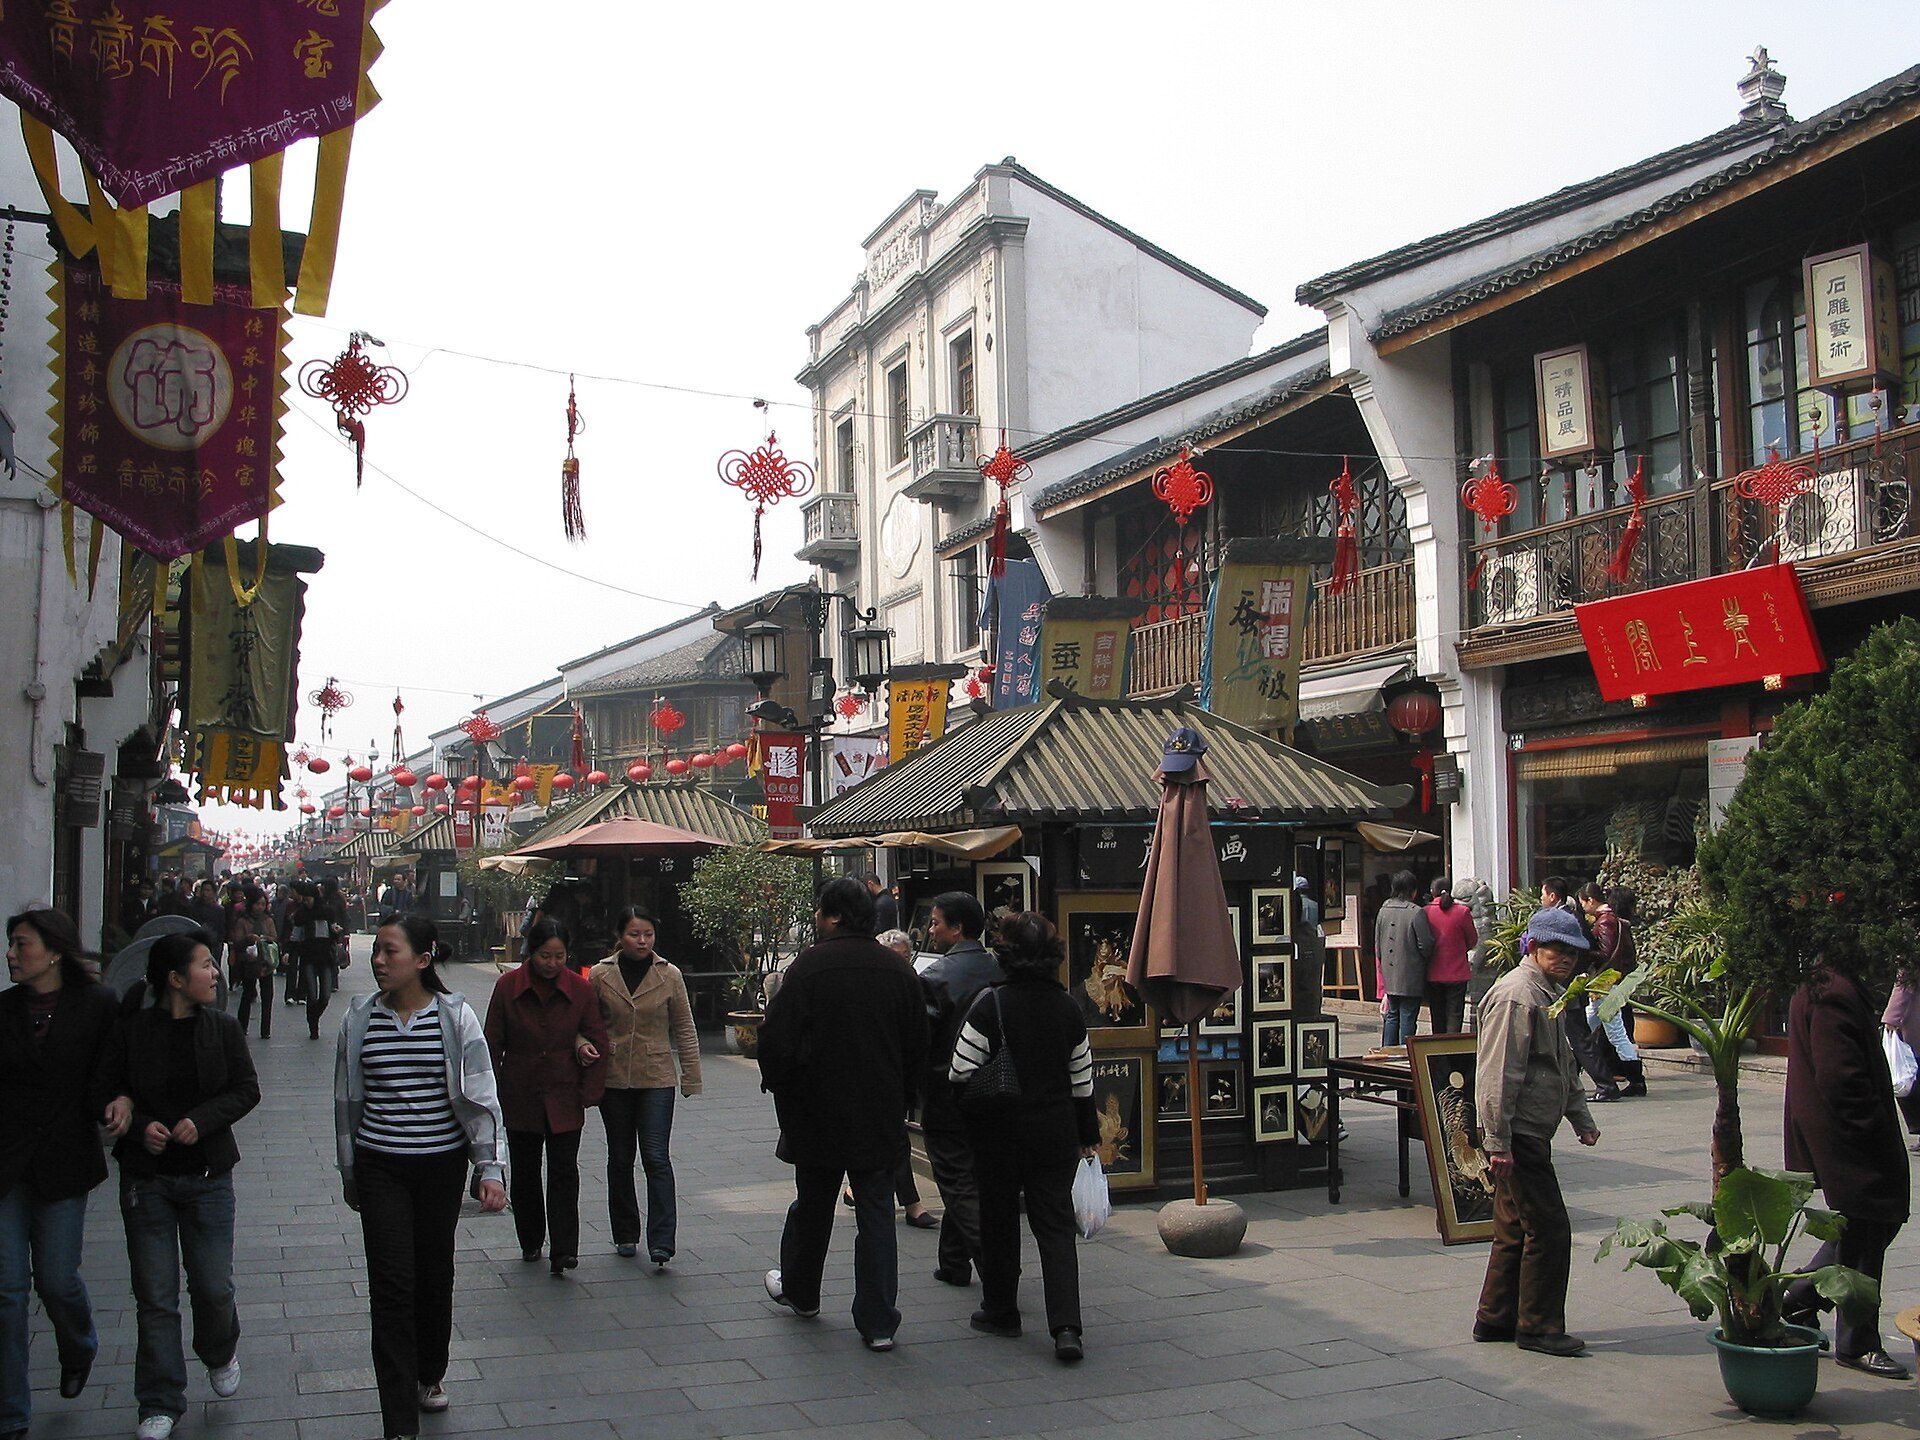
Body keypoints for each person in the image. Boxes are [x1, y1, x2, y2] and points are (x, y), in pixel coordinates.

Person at [335, 914, 507, 1440]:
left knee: (433, 1275)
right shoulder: (360, 1017)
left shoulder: (454, 1018)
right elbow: (347, 1102)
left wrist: (490, 1167)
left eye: (390, 951)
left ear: (423, 960)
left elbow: (480, 1098)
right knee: (390, 1285)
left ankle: (429, 1372)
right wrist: (351, 1171)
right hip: (381, 1164)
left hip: (439, 1166)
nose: (379, 960)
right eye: (378, 951)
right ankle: (398, 1420)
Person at [99, 930, 260, 1440]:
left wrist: (204, 1120)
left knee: (213, 1287)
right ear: (174, 979)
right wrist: (138, 1120)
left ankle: (218, 1349)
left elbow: (245, 1090)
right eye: (205, 965)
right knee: (155, 1295)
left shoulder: (223, 1028)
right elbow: (108, 1088)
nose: (215, 974)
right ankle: (160, 1400)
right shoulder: (132, 1031)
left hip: (208, 1177)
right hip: (148, 1181)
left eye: (214, 965)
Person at [757, 876, 928, 1352]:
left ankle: (802, 1290)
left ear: (831, 916)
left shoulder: (809, 967)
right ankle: (878, 1320)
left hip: (816, 1110)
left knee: (813, 1205)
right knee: (875, 1211)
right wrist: (904, 1096)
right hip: (879, 1110)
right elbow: (918, 1042)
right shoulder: (895, 970)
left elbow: (776, 1041)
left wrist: (784, 1088)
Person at [947, 911, 1097, 1363]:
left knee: (998, 1220)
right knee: (1055, 1226)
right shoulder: (1068, 1006)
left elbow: (959, 1073)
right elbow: (1083, 1082)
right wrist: (1087, 1136)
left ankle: (1001, 1311)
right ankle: (1066, 1327)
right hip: (1055, 1132)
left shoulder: (989, 1004)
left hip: (998, 1133)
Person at [0, 910, 121, 1440]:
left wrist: (119, 1100)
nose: (10, 954)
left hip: (64, 1161)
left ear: (52, 951)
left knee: (56, 1278)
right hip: (5, 1162)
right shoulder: (3, 1010)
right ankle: (11, 1412)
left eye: (20, 944)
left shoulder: (97, 1007)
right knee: (6, 1289)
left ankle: (79, 1344)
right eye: (9, 945)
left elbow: (111, 1071)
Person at [1473, 907, 1600, 1357]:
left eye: (1573, 952)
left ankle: (1495, 1317)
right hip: (1518, 1131)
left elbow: (1561, 1064)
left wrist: (1580, 1118)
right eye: (1555, 949)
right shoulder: (1519, 995)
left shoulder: (1549, 994)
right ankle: (1539, 1326)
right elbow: (1497, 1074)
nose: (1565, 959)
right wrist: (1497, 1142)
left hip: (1529, 1128)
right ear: (1532, 946)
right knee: (1549, 1229)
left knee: (1513, 1226)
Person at [1781, 964, 1912, 1378]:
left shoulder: (1829, 982)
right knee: (1868, 1228)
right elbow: (1841, 1077)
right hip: (1846, 1135)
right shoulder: (1831, 990)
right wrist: (1870, 1126)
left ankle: (1799, 1296)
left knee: (1865, 1226)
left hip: (1838, 1131)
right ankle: (1858, 1342)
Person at [485, 918, 607, 1277]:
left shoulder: (580, 990)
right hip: (520, 1092)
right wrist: (489, 1094)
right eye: (545, 956)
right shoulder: (508, 987)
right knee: (525, 1172)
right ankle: (531, 1239)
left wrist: (589, 1089)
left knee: (564, 1173)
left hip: (564, 1092)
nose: (553, 963)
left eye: (559, 956)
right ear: (531, 953)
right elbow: (491, 1043)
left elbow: (597, 1038)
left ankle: (565, 1249)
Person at [588, 907, 700, 1264]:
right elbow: (586, 1023)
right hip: (615, 1076)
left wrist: (691, 1075)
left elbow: (684, 1026)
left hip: (656, 1076)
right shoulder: (600, 975)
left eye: (648, 934)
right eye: (635, 935)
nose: (642, 941)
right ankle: (624, 1232)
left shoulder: (670, 975)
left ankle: (662, 1239)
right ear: (620, 936)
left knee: (655, 1157)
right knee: (620, 1157)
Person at [917, 892, 1005, 1285]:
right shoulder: (1002, 969)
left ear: (957, 928)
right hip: (998, 1088)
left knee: (955, 1178)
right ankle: (953, 1260)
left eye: (936, 922)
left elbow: (922, 1039)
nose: (931, 930)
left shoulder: (935, 977)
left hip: (946, 1091)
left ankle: (997, 1271)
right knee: (971, 1173)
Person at [848, 930, 938, 1228]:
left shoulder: (914, 983)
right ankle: (912, 1203)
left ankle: (855, 1189)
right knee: (894, 1138)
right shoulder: (872, 986)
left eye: (905, 957)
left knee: (886, 1137)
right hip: (872, 1074)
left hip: (898, 1074)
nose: (901, 963)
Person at [1575, 885, 1646, 1101]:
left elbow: (1605, 952)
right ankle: (1631, 1080)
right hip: (1608, 984)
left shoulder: (1605, 920)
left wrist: (1583, 950)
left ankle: (1631, 1081)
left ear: (1590, 900)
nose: (1583, 907)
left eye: (1583, 902)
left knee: (1611, 1032)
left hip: (1606, 985)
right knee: (1585, 1028)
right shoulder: (1612, 919)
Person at [1374, 870, 1434, 1047]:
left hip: (1389, 973)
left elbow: (1377, 944)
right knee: (1408, 1015)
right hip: (1410, 972)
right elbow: (1426, 945)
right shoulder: (1416, 912)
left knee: (1392, 1015)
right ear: (1413, 891)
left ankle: (1387, 1051)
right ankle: (1406, 1054)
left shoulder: (1383, 910)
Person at [1423, 877, 1478, 1036]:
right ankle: (1453, 1052)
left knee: (1437, 1017)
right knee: (1455, 1016)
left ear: (1433, 891)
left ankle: (1439, 1055)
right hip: (1458, 972)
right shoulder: (1462, 912)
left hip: (1433, 973)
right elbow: (1472, 940)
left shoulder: (1425, 912)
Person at [228, 888, 277, 1040]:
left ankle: (265, 1029)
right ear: (251, 904)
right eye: (257, 904)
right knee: (248, 994)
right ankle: (242, 1027)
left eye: (263, 904)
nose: (260, 907)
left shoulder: (268, 920)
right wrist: (248, 939)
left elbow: (274, 937)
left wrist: (264, 938)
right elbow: (237, 942)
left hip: (266, 963)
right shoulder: (243, 921)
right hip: (249, 963)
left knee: (267, 996)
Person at [1881, 974, 1920, 1149]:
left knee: (1909, 1081)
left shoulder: (1909, 955)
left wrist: (1891, 1019)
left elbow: (1903, 986)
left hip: (1914, 1029)